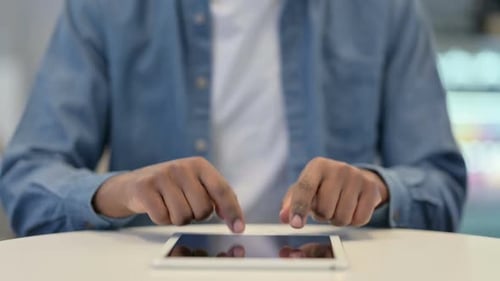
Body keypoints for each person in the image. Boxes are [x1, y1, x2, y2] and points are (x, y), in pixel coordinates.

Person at [0, 0, 467, 237]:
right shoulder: (105, 9)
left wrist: (377, 188)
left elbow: (440, 183)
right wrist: (121, 192)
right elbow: (27, 175)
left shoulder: (386, 10)